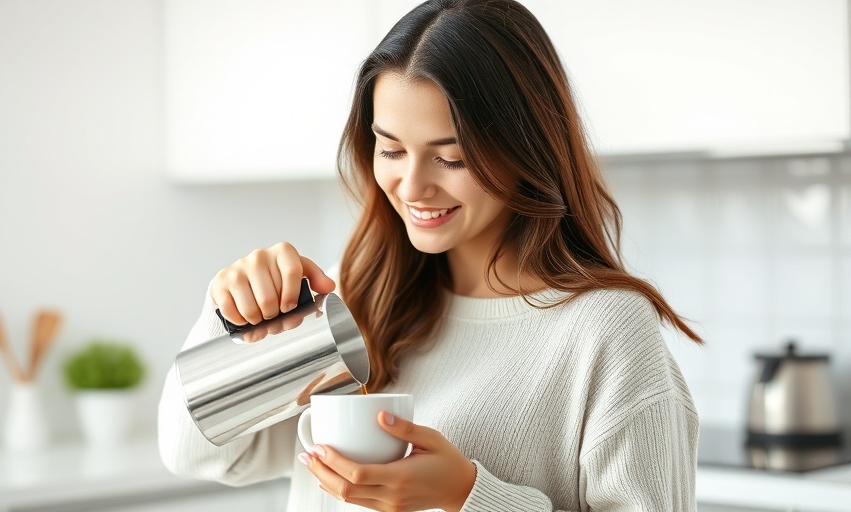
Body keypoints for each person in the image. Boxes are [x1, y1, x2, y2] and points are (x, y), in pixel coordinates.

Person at [158, 0, 703, 510]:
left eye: (452, 158)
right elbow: (198, 453)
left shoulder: (605, 334)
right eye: (390, 149)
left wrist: (467, 495)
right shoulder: (355, 299)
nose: (412, 187)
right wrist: (226, 317)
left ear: (527, 150)